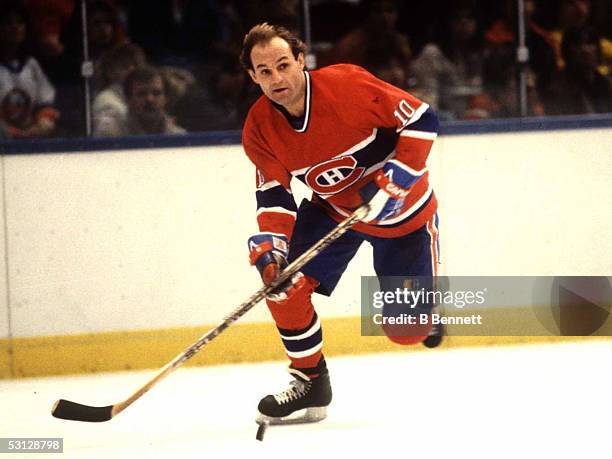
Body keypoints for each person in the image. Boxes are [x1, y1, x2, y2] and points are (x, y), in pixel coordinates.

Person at [240, 23, 441, 425]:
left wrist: (401, 172)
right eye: (264, 71)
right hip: (333, 211)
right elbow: (275, 196)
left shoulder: (345, 85)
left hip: (402, 216)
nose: (276, 78)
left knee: (407, 331)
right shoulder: (259, 128)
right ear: (252, 76)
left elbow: (421, 118)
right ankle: (310, 382)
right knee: (282, 284)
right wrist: (273, 245)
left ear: (301, 60)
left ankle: (426, 312)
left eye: (283, 65)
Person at [0, 2, 59, 139]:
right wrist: (13, 133)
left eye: (20, 22)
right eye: (8, 23)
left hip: (31, 139)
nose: (15, 27)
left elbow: (46, 102)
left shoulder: (31, 65)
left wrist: (43, 124)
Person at [117, 66, 185, 136]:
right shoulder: (113, 135)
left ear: (166, 98)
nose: (149, 99)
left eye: (156, 93)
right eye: (141, 93)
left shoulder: (179, 136)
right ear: (128, 99)